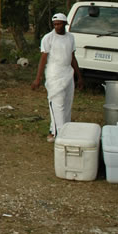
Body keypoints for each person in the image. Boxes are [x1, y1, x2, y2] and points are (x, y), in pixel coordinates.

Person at [31, 13, 84, 142]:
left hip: (68, 73)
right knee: (57, 104)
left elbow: (72, 57)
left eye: (59, 24)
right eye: (55, 24)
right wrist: (38, 78)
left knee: (67, 104)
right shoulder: (48, 38)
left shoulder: (70, 38)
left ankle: (58, 130)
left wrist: (79, 77)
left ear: (65, 24)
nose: (57, 26)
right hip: (54, 74)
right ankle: (59, 135)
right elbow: (43, 59)